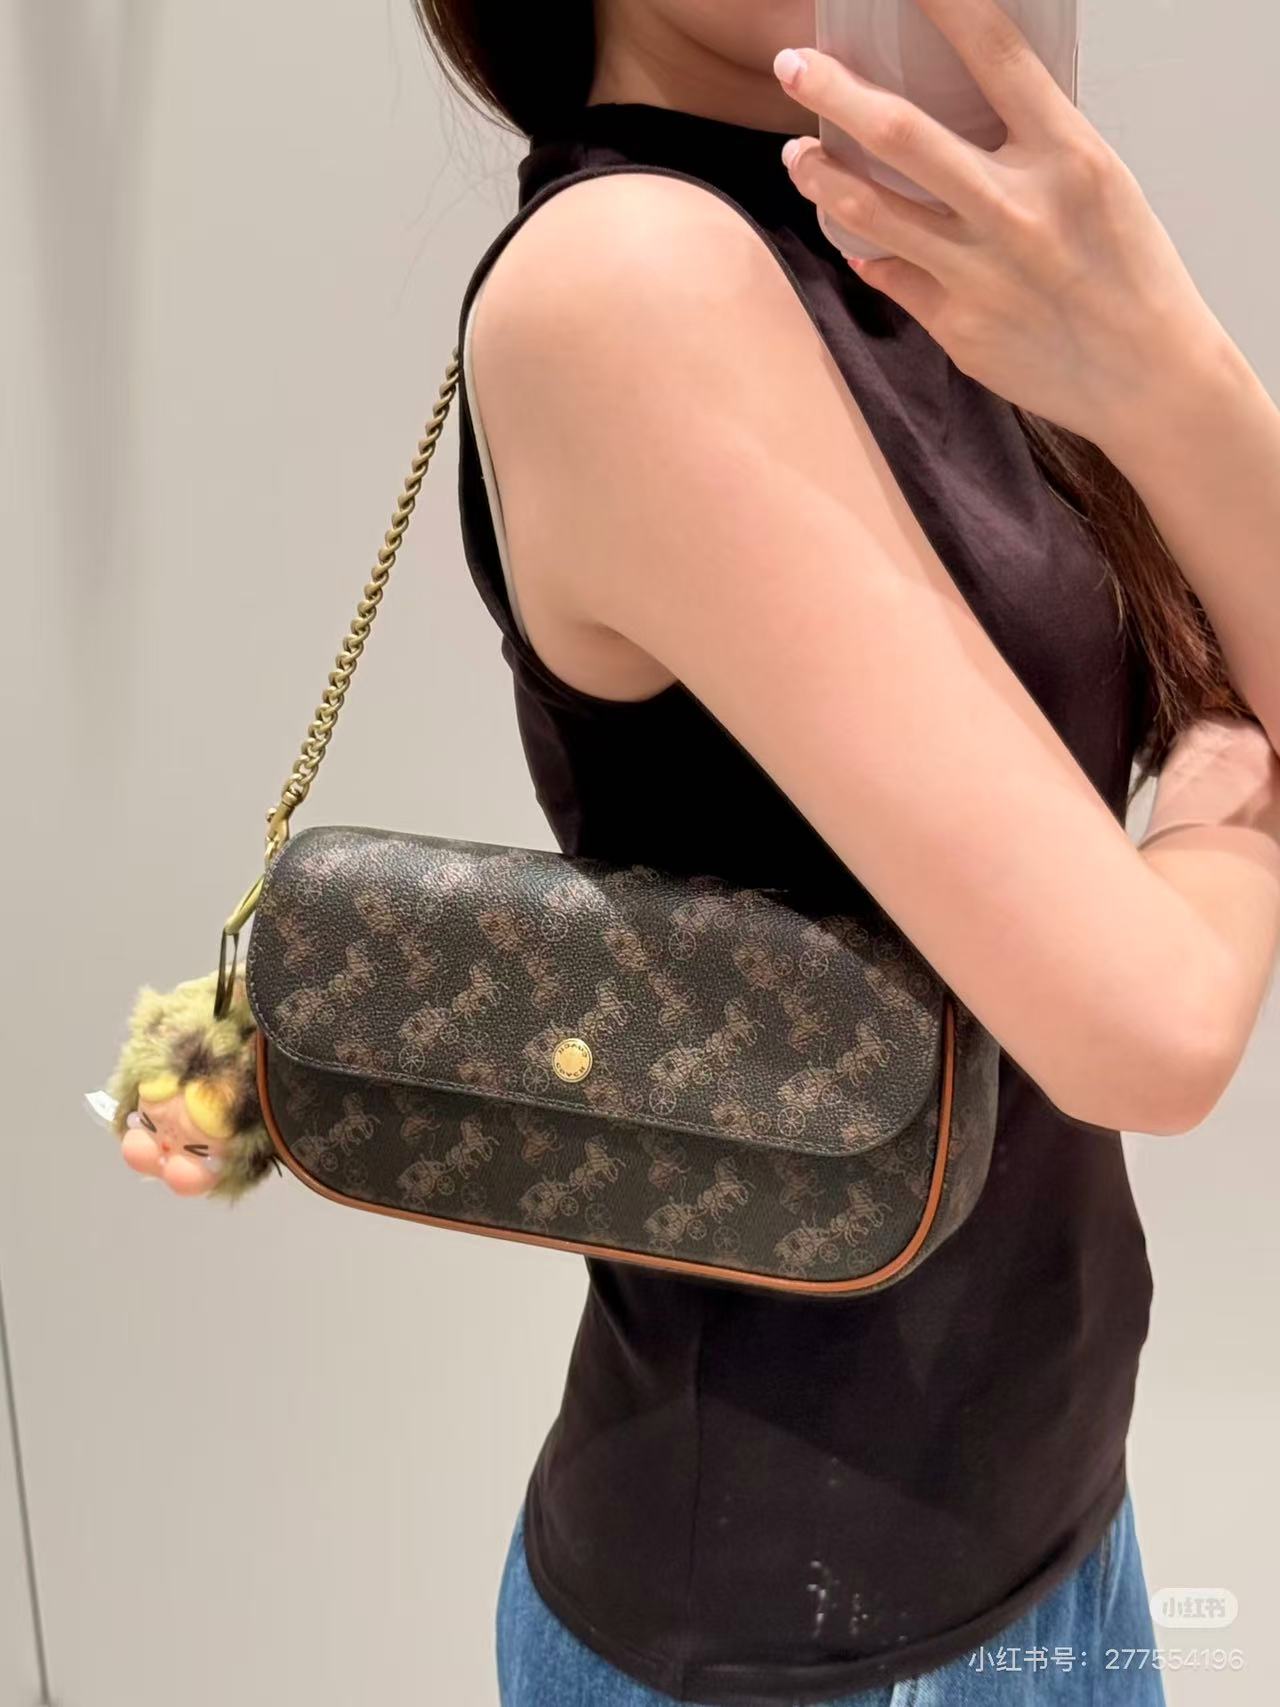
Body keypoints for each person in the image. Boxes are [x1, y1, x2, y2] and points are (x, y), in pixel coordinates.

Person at [416, 1, 1280, 1701]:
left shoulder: (903, 234)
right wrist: (1218, 787)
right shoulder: (635, 282)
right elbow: (1157, 1030)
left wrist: (1162, 349)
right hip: (790, 1632)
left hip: (1053, 1521)